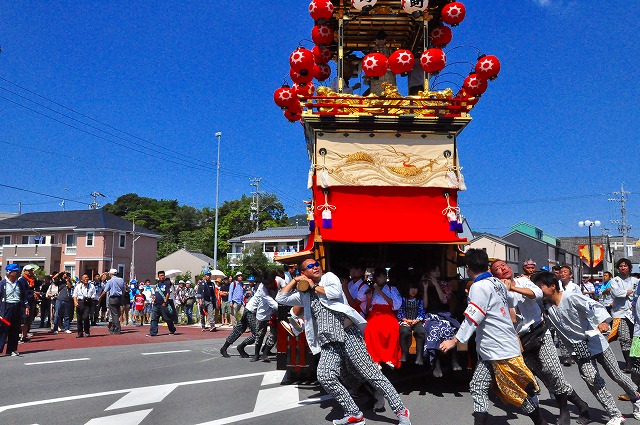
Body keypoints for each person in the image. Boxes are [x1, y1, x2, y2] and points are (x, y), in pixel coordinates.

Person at [276, 258, 412, 425]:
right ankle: (354, 413)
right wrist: (296, 281)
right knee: (325, 376)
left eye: (317, 264)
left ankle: (400, 410)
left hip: (348, 334)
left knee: (372, 374)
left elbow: (335, 293)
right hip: (329, 342)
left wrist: (313, 286)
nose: (315, 267)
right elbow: (280, 298)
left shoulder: (329, 278)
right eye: (310, 267)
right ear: (304, 273)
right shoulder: (304, 293)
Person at [440, 249, 546, 425]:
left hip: (499, 350)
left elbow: (473, 317)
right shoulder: (496, 283)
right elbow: (511, 303)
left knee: (515, 392)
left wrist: (455, 340)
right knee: (478, 386)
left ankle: (540, 422)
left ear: (468, 267)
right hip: (492, 349)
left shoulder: (479, 286)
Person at [533, 271, 640, 425]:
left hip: (595, 341)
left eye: (539, 287)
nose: (537, 290)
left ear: (552, 286)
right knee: (591, 379)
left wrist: (602, 321)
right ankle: (615, 414)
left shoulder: (570, 297)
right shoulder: (545, 305)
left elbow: (594, 306)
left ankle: (636, 398)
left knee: (616, 375)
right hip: (578, 348)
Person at [491, 260, 590, 425]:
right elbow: (509, 317)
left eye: (504, 265)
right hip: (520, 341)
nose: (502, 269)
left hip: (539, 332)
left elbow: (537, 294)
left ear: (510, 268)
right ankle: (581, 404)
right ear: (495, 275)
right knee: (547, 378)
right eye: (497, 269)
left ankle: (564, 412)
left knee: (553, 372)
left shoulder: (523, 281)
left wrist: (513, 288)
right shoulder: (496, 292)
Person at [422, 265, 460, 377]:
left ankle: (453, 358)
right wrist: (425, 288)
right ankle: (436, 362)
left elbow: (444, 300)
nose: (437, 272)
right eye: (434, 270)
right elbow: (425, 305)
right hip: (431, 314)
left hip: (444, 313)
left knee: (449, 327)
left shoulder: (444, 285)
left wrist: (436, 285)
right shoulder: (424, 284)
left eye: (438, 270)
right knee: (434, 328)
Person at [362, 267, 403, 369]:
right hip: (375, 313)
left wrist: (380, 292)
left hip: (388, 313)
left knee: (392, 329)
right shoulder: (371, 289)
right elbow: (368, 309)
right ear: (376, 279)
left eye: (384, 276)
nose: (382, 279)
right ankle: (375, 359)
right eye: (379, 277)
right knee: (371, 330)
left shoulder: (391, 289)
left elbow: (396, 305)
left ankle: (389, 358)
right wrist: (369, 297)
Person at [608, 258, 638, 373]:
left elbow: (636, 294)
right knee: (625, 338)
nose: (623, 268)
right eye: (620, 266)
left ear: (629, 268)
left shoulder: (635, 281)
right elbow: (616, 293)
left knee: (635, 338)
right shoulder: (615, 280)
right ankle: (629, 363)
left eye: (625, 266)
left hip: (634, 313)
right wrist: (628, 292)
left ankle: (636, 362)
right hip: (620, 314)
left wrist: (627, 293)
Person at [219, 282, 260, 358]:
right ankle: (240, 346)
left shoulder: (263, 287)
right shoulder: (264, 288)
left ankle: (224, 348)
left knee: (239, 328)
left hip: (249, 309)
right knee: (256, 334)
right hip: (250, 310)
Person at [0, 264, 30, 356]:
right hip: (6, 308)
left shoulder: (19, 283)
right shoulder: (2, 284)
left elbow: (23, 296)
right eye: (15, 271)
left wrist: (26, 306)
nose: (18, 273)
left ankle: (11, 349)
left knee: (15, 329)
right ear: (10, 273)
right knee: (3, 329)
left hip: (17, 307)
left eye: (18, 271)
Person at [250, 271, 279, 363]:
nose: (268, 285)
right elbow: (270, 301)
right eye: (266, 284)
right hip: (263, 313)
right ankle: (256, 354)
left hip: (275, 313)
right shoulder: (262, 287)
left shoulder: (279, 281)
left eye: (270, 283)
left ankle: (265, 353)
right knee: (260, 334)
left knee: (274, 334)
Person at [397, 282, 426, 366]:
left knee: (421, 332)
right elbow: (400, 311)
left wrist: (417, 320)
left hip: (416, 321)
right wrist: (405, 319)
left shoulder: (419, 300)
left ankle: (419, 355)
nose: (413, 291)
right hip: (405, 320)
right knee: (404, 331)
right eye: (411, 288)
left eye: (415, 289)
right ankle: (404, 353)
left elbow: (422, 311)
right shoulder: (403, 299)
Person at [147, 271, 177, 337]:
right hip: (156, 304)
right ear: (158, 276)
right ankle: (153, 332)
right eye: (160, 275)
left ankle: (172, 329)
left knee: (167, 318)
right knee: (154, 318)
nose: (162, 277)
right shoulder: (157, 284)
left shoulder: (167, 283)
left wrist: (165, 302)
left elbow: (168, 293)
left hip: (164, 304)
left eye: (163, 275)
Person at [97, 269, 125, 335]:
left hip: (113, 298)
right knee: (117, 313)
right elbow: (124, 290)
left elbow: (105, 291)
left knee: (114, 314)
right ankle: (113, 327)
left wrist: (100, 297)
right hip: (119, 298)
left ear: (111, 274)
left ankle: (117, 329)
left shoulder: (110, 281)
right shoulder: (121, 280)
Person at [18, 265, 39, 343]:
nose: (31, 272)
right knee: (23, 320)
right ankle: (19, 335)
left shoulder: (31, 280)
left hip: (31, 302)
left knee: (28, 321)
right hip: (24, 303)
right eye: (29, 270)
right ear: (24, 271)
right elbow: (23, 292)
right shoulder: (21, 280)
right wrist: (32, 293)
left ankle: (24, 336)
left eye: (31, 270)